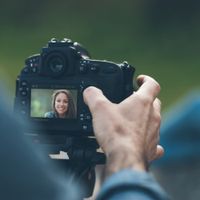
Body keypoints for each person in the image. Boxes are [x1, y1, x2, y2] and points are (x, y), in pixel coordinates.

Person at [0, 75, 169, 199]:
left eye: (65, 101)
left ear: (70, 104)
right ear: (53, 103)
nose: (61, 104)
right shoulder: (48, 115)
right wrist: (126, 149)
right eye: (58, 101)